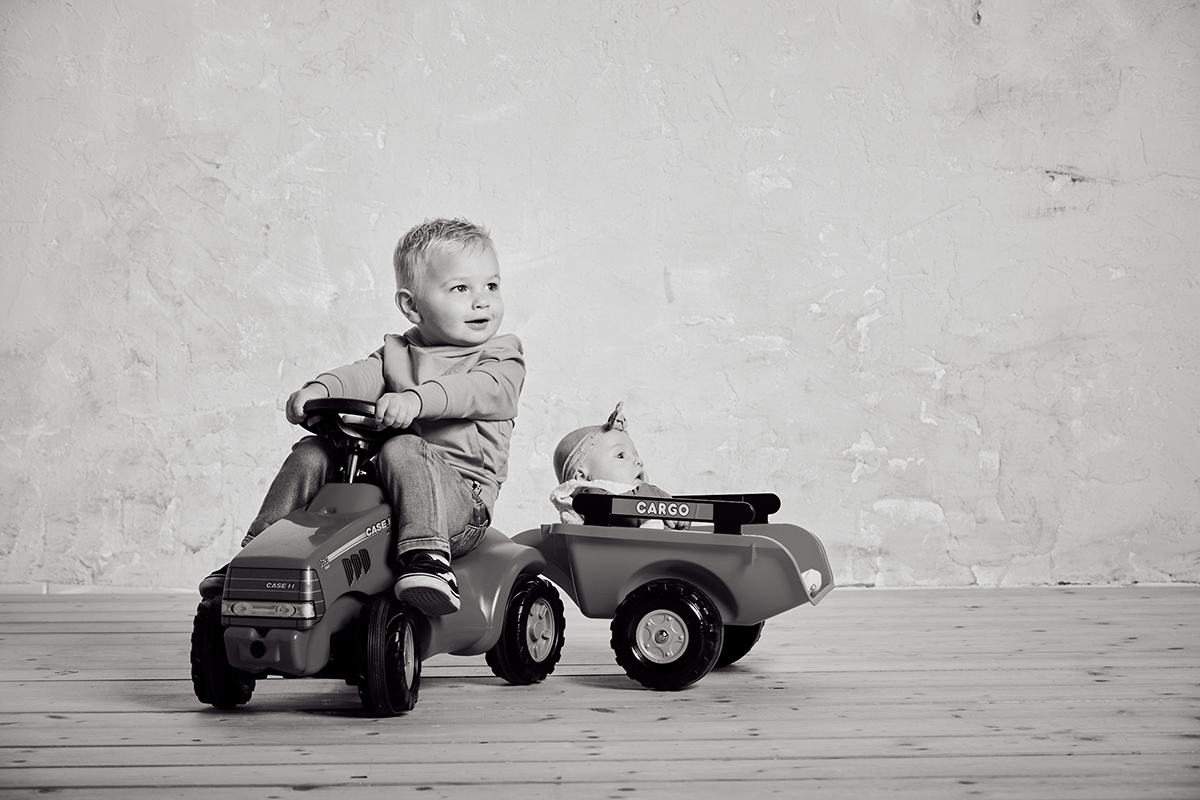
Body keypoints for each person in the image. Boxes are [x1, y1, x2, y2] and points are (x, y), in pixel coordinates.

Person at [199, 218, 524, 615]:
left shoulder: (501, 358)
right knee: (314, 451)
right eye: (461, 288)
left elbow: (477, 390)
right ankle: (259, 554)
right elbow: (360, 376)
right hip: (386, 493)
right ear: (412, 306)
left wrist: (416, 400)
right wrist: (318, 391)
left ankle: (428, 560)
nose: (482, 301)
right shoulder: (397, 354)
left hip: (460, 507)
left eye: (491, 286)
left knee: (401, 446)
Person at [549, 402, 686, 529]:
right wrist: (651, 495)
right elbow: (623, 517)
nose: (638, 461)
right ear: (582, 477)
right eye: (620, 455)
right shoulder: (593, 498)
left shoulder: (637, 495)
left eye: (635, 454)